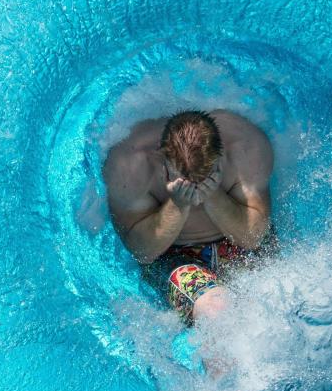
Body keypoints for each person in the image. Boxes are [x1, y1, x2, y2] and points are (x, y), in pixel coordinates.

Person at [102, 109, 274, 324]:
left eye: (207, 177)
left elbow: (253, 238)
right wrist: (178, 204)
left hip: (241, 245)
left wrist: (213, 196)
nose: (196, 190)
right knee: (215, 309)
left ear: (221, 155)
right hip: (175, 257)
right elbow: (142, 252)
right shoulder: (129, 165)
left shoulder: (246, 146)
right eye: (185, 181)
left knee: (273, 306)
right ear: (163, 161)